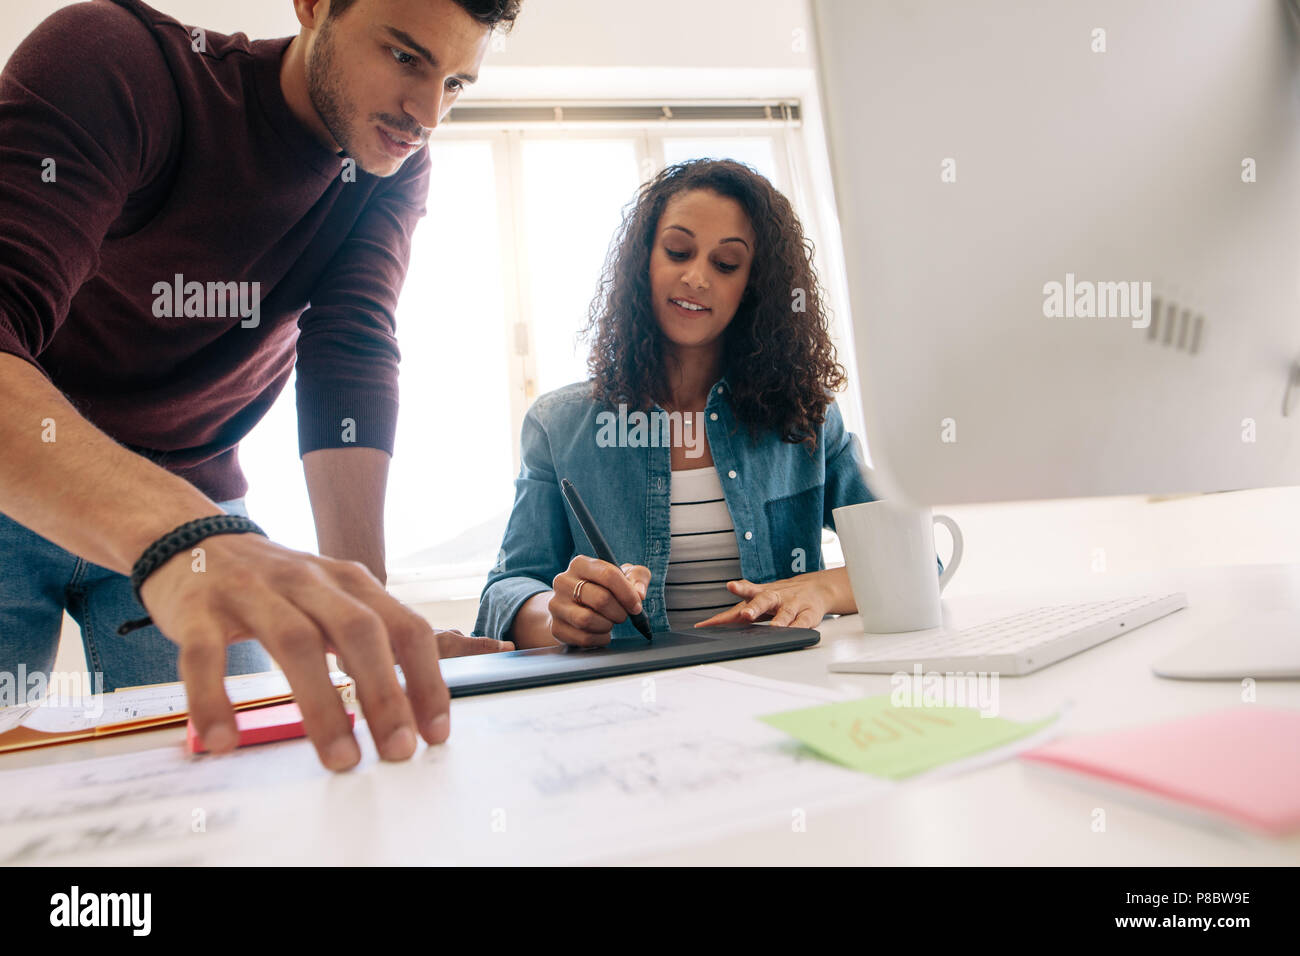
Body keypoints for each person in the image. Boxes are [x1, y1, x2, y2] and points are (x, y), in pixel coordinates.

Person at [0, 0, 522, 773]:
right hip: (26, 483)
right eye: (406, 57)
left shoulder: (389, 161)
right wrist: (181, 532)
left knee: (225, 788)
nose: (427, 114)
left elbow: (350, 351)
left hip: (196, 494)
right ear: (314, 6)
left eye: (456, 84)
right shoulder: (113, 60)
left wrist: (362, 611)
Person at [476, 158, 875, 648]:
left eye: (725, 264)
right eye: (678, 251)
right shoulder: (558, 427)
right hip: (632, 708)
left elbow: (911, 559)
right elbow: (506, 590)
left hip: (785, 690)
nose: (697, 278)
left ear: (754, 285)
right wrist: (558, 614)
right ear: (644, 260)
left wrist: (823, 587)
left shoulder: (805, 417)